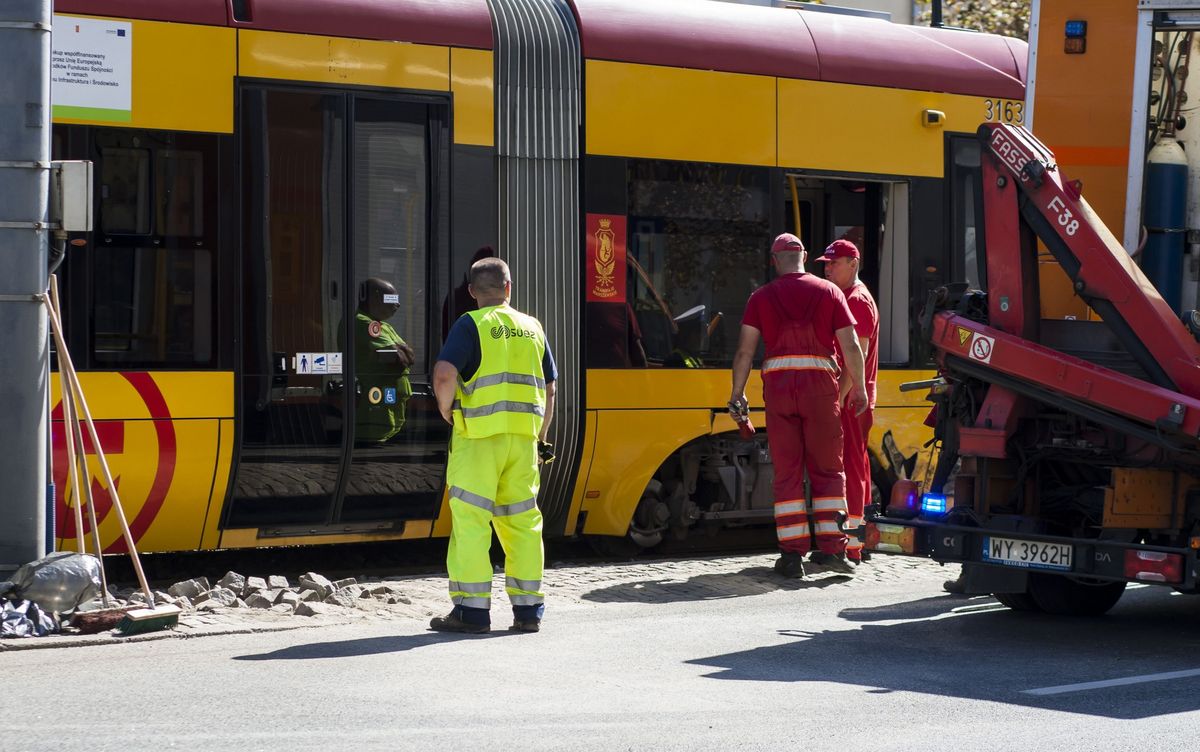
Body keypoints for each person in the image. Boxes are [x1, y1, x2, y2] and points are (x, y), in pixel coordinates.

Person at [430, 257, 558, 633]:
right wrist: (540, 436)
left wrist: (447, 411)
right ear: (509, 287)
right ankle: (528, 611)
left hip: (478, 440)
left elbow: (444, 374)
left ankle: (471, 613)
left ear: (471, 292)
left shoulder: (470, 324)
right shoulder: (532, 327)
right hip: (522, 443)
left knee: (472, 524)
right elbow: (550, 388)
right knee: (523, 524)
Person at [729, 232, 868, 578]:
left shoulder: (760, 297)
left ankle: (792, 557)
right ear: (804, 255)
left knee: (788, 472)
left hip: (778, 392)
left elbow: (745, 351)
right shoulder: (830, 292)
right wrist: (860, 388)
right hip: (821, 392)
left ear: (774, 260)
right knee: (828, 470)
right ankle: (834, 550)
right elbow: (851, 346)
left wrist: (737, 392)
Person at [817, 239, 879, 564]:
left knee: (850, 469)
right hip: (854, 398)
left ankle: (851, 545)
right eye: (825, 263)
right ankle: (857, 541)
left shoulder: (856, 301)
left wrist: (835, 403)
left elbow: (857, 357)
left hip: (852, 400)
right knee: (857, 467)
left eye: (833, 263)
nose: (827, 268)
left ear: (853, 264)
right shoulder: (850, 297)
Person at [353, 277, 415, 443]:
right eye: (391, 299)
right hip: (378, 406)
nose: (397, 305)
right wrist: (399, 351)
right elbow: (399, 357)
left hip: (388, 401)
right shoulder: (362, 322)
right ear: (374, 298)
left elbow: (409, 356)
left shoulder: (383, 325)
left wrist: (400, 352)